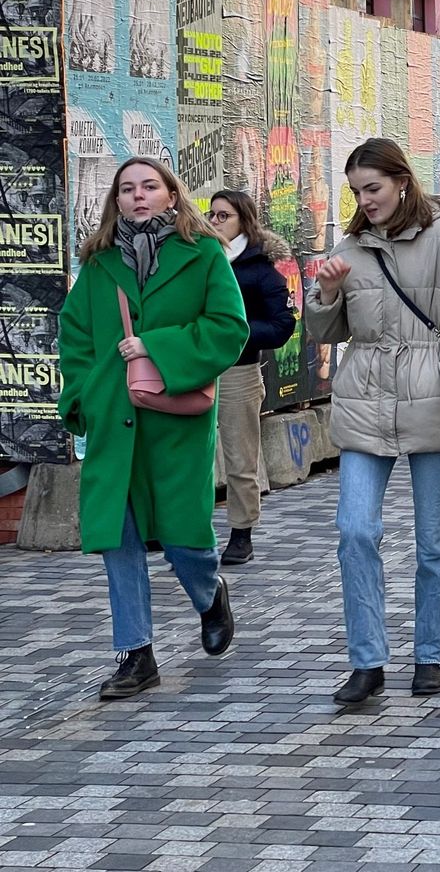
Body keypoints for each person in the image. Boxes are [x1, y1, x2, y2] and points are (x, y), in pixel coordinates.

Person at [305, 137, 440, 705]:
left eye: (374, 188)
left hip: (432, 403)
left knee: (434, 541)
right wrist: (326, 294)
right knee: (355, 531)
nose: (365, 200)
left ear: (402, 181)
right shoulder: (351, 248)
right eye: (357, 191)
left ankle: (431, 653)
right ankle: (367, 661)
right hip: (364, 404)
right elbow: (325, 334)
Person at [57, 157, 248, 700]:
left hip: (175, 417)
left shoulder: (204, 254)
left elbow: (229, 328)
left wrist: (157, 346)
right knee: (119, 536)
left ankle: (210, 595)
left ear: (170, 194)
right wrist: (81, 398)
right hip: (113, 416)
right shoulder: (97, 265)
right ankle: (135, 654)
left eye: (149, 186)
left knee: (186, 538)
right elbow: (73, 337)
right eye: (127, 189)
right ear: (115, 201)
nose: (138, 196)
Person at [205, 190, 296, 566]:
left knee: (240, 458)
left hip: (238, 371)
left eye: (223, 215)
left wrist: (234, 332)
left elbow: (281, 326)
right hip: (194, 369)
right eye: (210, 215)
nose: (214, 221)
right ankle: (182, 529)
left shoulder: (261, 270)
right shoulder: (202, 260)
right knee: (189, 453)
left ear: (244, 219)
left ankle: (242, 532)